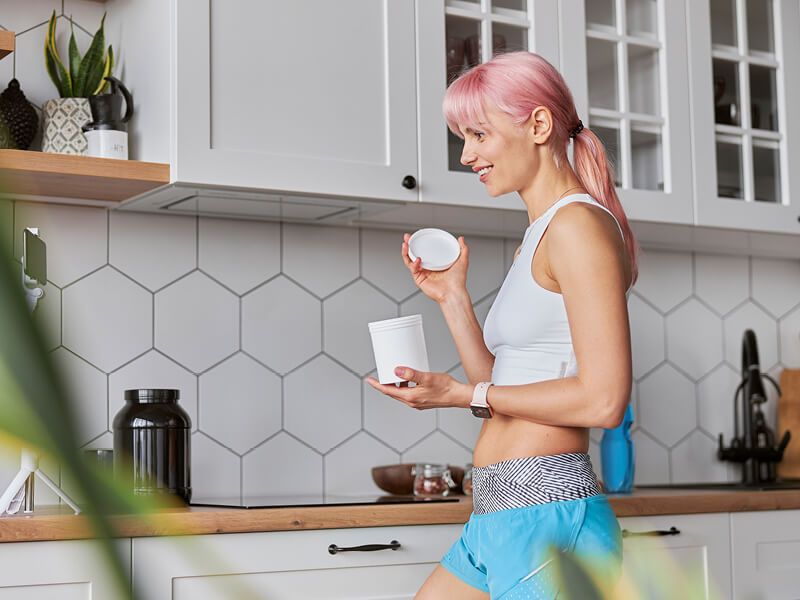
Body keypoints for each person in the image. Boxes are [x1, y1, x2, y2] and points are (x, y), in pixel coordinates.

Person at [365, 50, 639, 599]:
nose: (466, 156)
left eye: (478, 136)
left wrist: (463, 392)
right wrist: (453, 299)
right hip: (499, 512)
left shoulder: (578, 227)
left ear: (538, 124)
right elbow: (505, 385)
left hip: (552, 519)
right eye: (461, 138)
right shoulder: (539, 234)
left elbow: (604, 400)